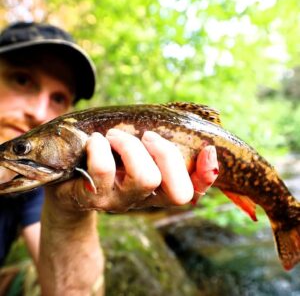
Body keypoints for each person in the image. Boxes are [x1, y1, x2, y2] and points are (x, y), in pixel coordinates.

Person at [0, 22, 219, 295]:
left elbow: (71, 292)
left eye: (59, 98)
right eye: (22, 80)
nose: (38, 111)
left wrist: (69, 207)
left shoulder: (29, 184)